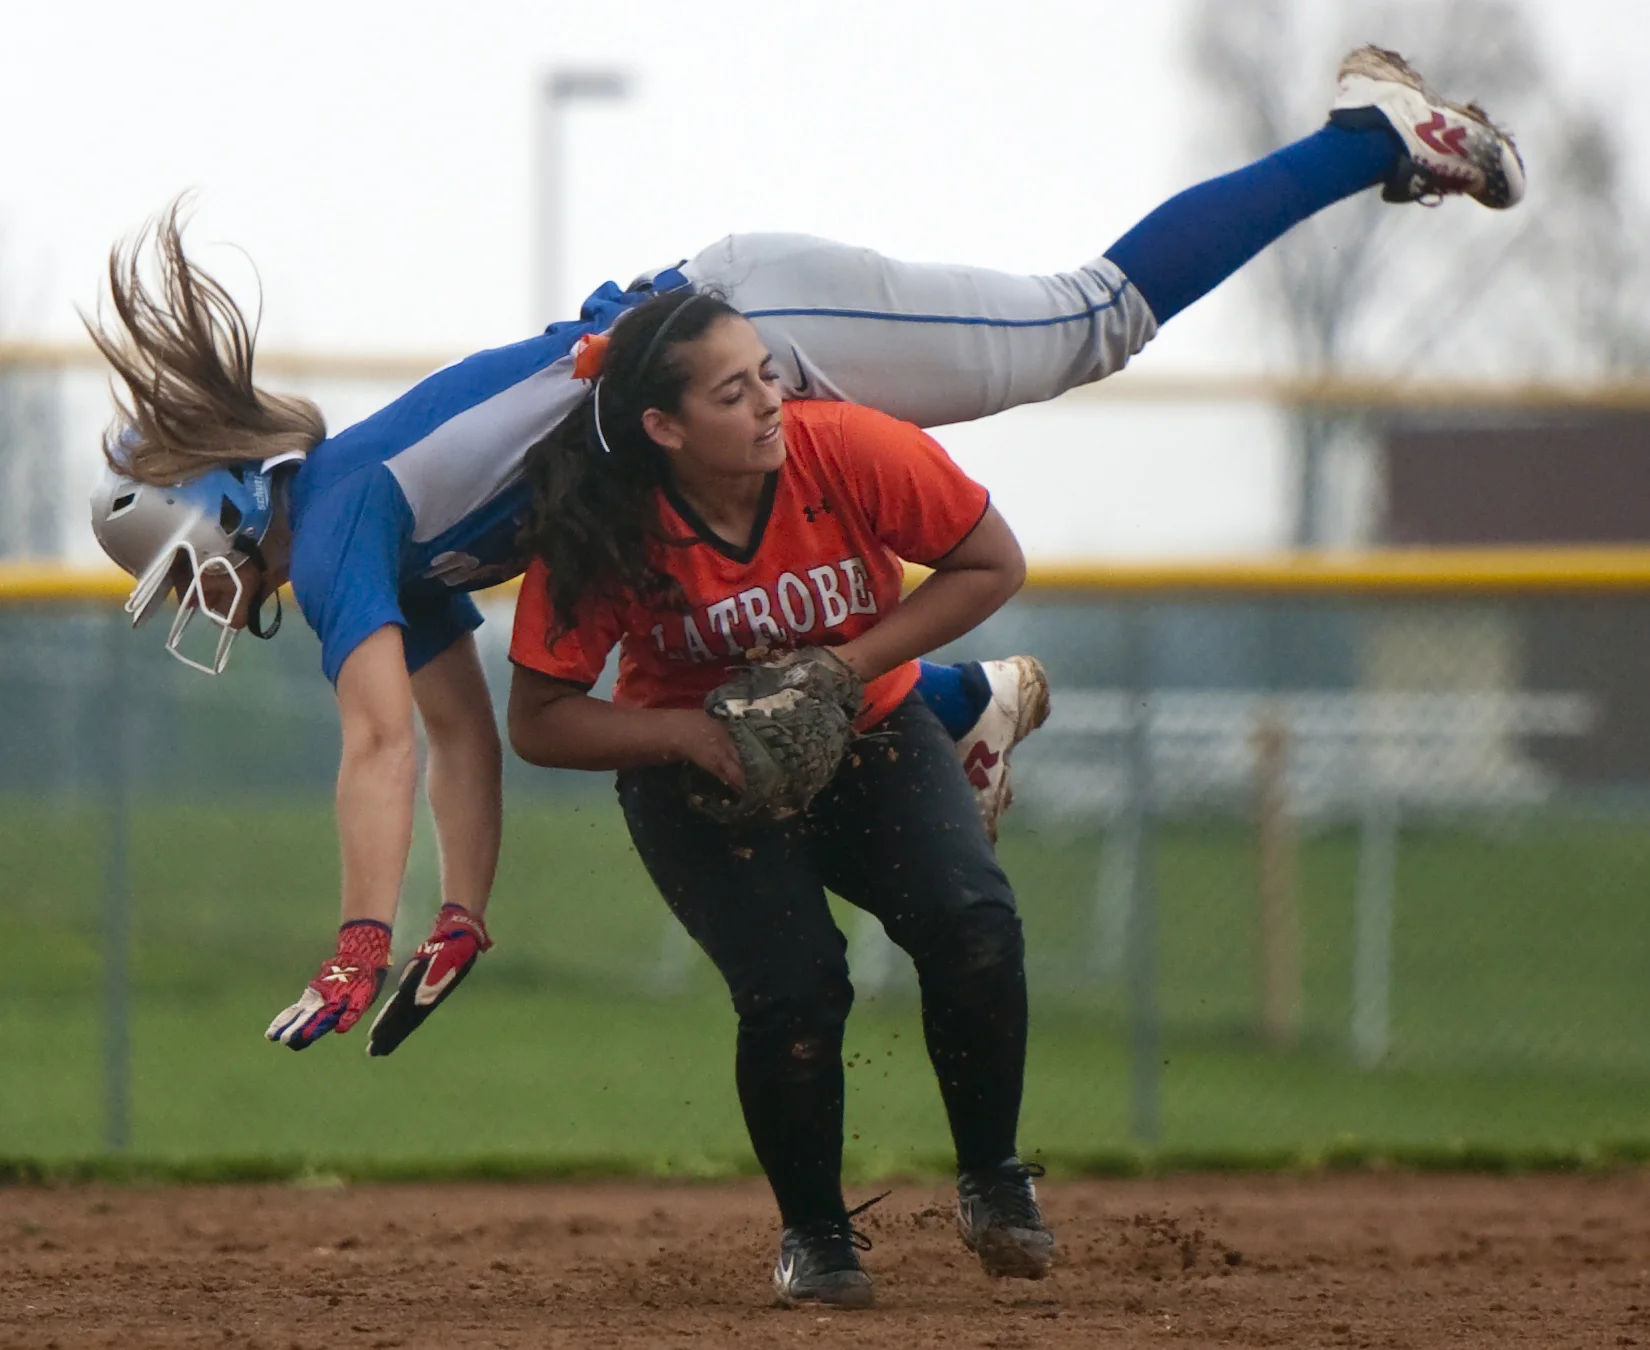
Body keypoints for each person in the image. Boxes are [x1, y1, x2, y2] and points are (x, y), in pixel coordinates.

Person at [83, 47, 1523, 1056]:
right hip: (688, 410)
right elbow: (467, 740)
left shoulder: (329, 514)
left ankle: (1369, 137)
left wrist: (353, 937)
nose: (202, 599)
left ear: (217, 502)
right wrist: (456, 915)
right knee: (711, 652)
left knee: (1092, 321)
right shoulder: (364, 535)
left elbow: (378, 745)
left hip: (743, 328)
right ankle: (966, 704)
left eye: (183, 565)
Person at [506, 285, 1043, 1306]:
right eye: (730, 392)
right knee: (797, 988)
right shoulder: (609, 527)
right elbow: (538, 720)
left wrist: (847, 669)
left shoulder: (846, 451)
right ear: (662, 427)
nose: (765, 403)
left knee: (973, 923)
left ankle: (994, 1180)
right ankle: (817, 1238)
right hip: (696, 778)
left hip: (871, 728)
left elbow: (991, 562)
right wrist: (686, 734)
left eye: (766, 375)